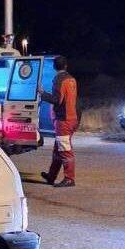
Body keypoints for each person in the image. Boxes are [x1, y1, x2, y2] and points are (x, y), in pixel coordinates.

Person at [38, 56, 79, 187]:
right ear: (66, 66)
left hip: (63, 120)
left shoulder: (58, 79)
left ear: (54, 67)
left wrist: (42, 93)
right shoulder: (71, 79)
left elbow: (57, 100)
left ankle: (69, 178)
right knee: (58, 150)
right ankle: (51, 176)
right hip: (72, 118)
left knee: (65, 150)